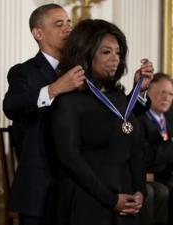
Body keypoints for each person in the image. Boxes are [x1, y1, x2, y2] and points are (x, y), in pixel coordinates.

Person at [50, 19, 153, 225]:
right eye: (106, 52)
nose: (115, 59)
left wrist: (140, 191)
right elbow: (69, 158)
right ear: (86, 55)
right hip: (89, 201)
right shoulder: (68, 101)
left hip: (128, 202)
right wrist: (111, 199)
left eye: (117, 52)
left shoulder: (120, 98)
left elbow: (135, 149)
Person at [2, 4, 86, 225]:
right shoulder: (24, 71)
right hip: (41, 183)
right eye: (59, 24)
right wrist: (54, 89)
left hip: (79, 183)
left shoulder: (82, 71)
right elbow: (12, 106)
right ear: (38, 33)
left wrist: (140, 93)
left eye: (69, 23)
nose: (68, 29)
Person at [138, 73, 173, 225]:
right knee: (158, 191)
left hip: (164, 175)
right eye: (162, 92)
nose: (167, 98)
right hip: (145, 177)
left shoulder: (170, 119)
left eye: (171, 94)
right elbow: (145, 157)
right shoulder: (139, 118)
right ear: (149, 91)